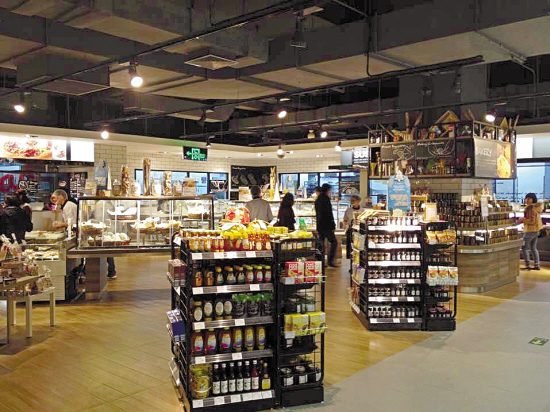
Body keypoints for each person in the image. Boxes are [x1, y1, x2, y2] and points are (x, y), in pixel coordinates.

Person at [315, 183, 338, 267]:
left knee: (321, 244)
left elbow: (318, 214)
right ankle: (330, 261)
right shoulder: (326, 199)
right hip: (327, 225)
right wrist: (333, 225)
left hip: (320, 225)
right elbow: (329, 214)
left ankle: (320, 261)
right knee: (334, 242)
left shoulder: (318, 199)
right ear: (328, 190)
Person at [520, 193, 543, 270]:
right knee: (533, 248)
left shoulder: (531, 209)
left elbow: (532, 221)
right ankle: (537, 265)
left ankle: (528, 265)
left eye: (529, 199)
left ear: (533, 199)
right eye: (526, 198)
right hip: (536, 230)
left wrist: (523, 220)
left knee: (524, 247)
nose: (527, 200)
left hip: (530, 230)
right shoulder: (536, 208)